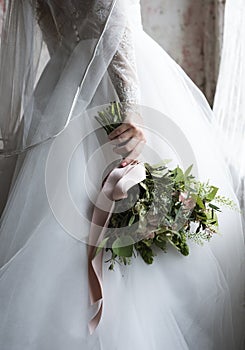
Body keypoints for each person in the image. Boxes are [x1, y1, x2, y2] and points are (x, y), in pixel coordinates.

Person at [0, 1, 244, 349]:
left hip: (64, 81)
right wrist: (131, 107)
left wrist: (71, 72)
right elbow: (116, 15)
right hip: (120, 72)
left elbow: (51, 28)